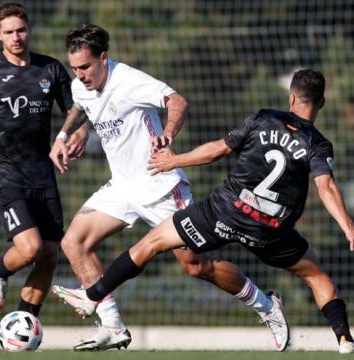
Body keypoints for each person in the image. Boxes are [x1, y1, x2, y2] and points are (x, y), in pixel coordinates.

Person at [52, 69, 354, 354]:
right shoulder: (318, 143)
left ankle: (94, 294)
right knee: (316, 276)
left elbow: (217, 150)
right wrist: (348, 228)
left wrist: (173, 161)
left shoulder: (263, 118)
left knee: (151, 244)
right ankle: (344, 340)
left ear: (291, 96)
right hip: (271, 229)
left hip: (227, 211)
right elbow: (325, 187)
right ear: (322, 103)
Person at [48, 24, 289, 352]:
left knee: (196, 267)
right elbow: (81, 105)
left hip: (161, 186)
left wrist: (169, 134)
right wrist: (66, 135)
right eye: (74, 68)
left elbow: (177, 101)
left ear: (104, 58)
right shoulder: (81, 84)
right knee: (73, 242)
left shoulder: (130, 81)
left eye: (86, 67)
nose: (80, 75)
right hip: (122, 187)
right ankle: (113, 327)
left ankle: (266, 306)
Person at [0, 3, 86, 320]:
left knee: (49, 256)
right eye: (9, 32)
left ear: (29, 29)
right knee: (30, 248)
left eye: (21, 30)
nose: (16, 37)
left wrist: (81, 133)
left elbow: (77, 109)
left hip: (44, 176)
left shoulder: (50, 69)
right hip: (7, 177)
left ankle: (24, 320)